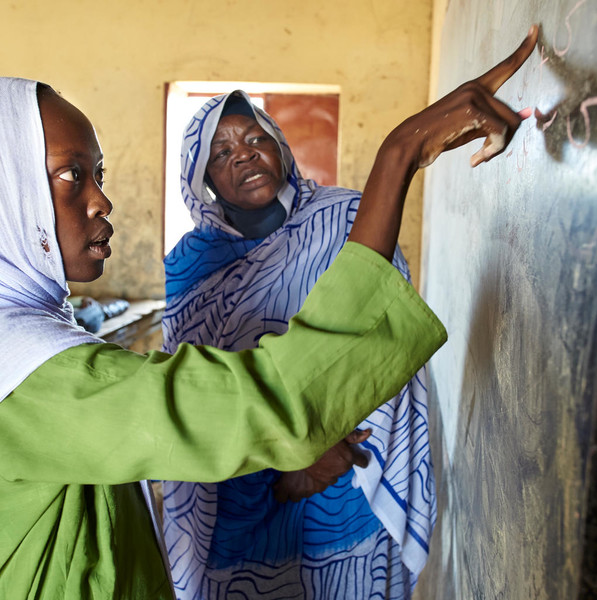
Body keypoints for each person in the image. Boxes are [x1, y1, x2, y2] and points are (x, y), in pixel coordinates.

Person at [0, 23, 537, 599]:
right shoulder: (28, 372)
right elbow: (262, 403)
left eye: (99, 175)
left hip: (344, 492)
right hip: (249, 505)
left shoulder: (38, 343)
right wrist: (400, 152)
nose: (102, 199)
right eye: (71, 175)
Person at [162, 27, 539, 599]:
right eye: (221, 152)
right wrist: (284, 471)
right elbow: (189, 396)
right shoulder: (191, 268)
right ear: (204, 180)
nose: (244, 154)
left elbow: (382, 326)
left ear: (279, 146)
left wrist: (321, 451)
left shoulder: (345, 218)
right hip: (243, 502)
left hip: (348, 476)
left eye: (255, 137)